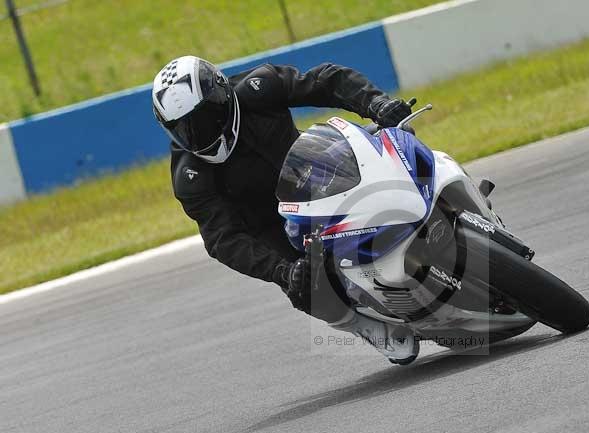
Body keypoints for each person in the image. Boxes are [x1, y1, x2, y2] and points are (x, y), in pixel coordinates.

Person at [151, 56, 419, 363]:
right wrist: (281, 271)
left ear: (221, 96)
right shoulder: (190, 177)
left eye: (203, 119)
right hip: (272, 224)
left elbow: (326, 80)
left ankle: (455, 200)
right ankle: (367, 326)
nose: (197, 134)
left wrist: (376, 103)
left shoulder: (259, 87)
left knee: (396, 141)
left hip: (318, 171)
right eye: (183, 130)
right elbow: (222, 240)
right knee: (305, 288)